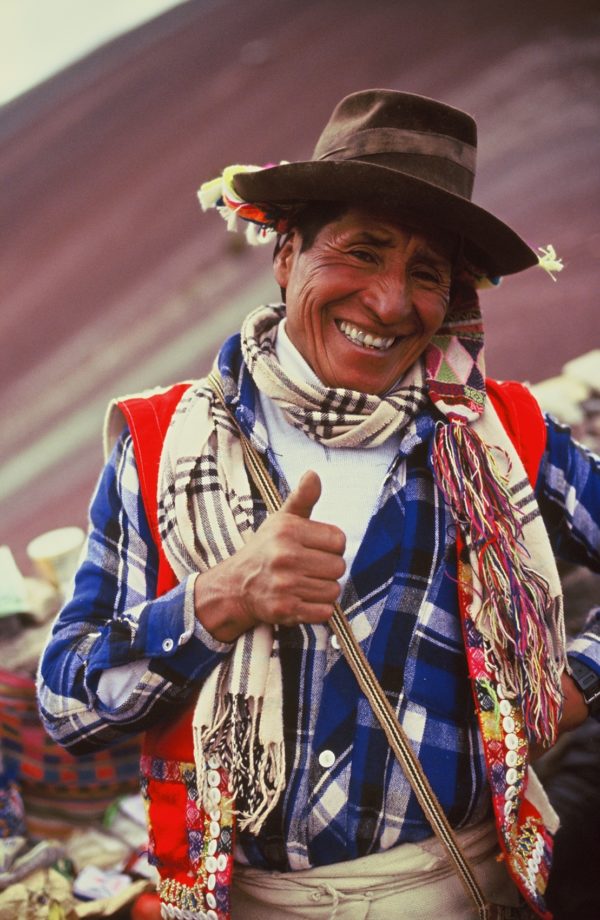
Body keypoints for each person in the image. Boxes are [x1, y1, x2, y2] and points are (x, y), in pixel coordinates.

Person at [37, 90, 600, 920]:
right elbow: (68, 704)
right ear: (286, 252)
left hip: (466, 892)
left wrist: (574, 678)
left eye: (426, 273)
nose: (389, 301)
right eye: (361, 253)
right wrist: (220, 601)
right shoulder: (158, 444)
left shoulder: (502, 438)